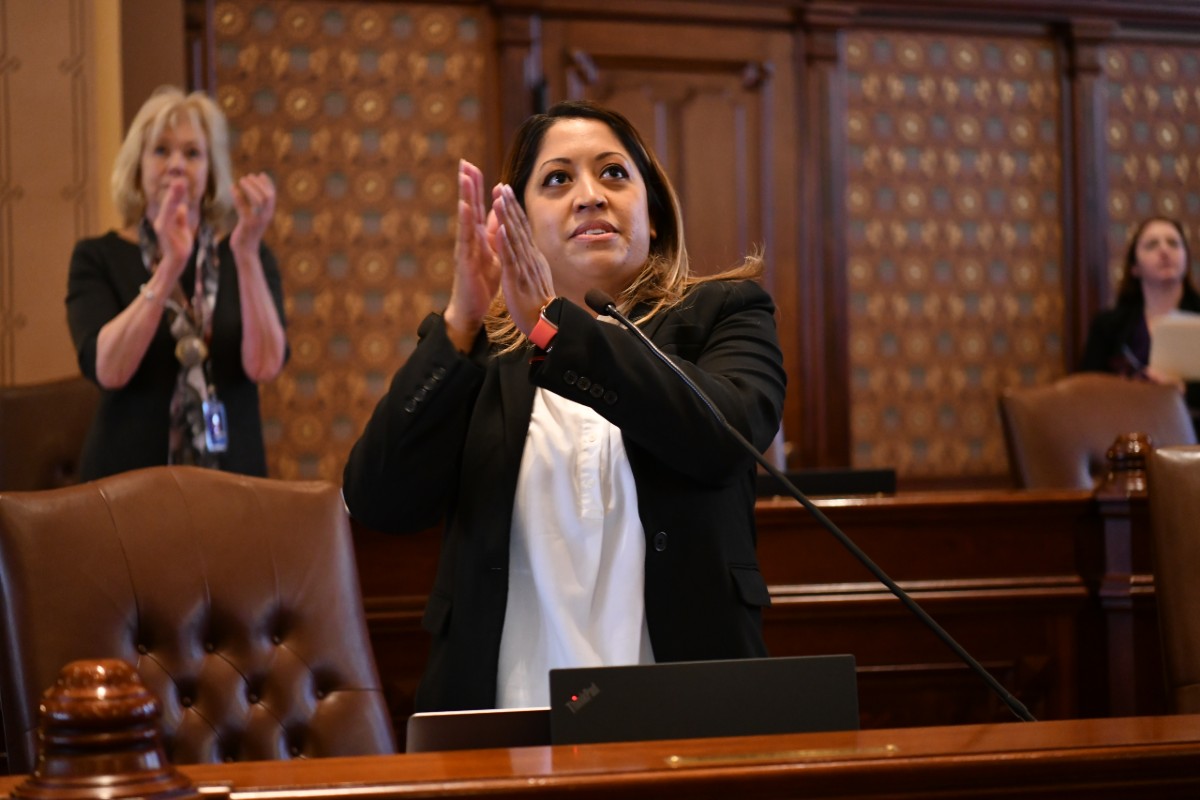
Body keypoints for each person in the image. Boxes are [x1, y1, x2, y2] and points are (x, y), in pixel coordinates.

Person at [342, 100, 786, 711]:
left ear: (652, 216)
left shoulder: (725, 315)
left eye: (613, 174)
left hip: (688, 723)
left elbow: (724, 436)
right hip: (507, 723)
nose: (589, 195)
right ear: (518, 223)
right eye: (558, 179)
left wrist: (554, 331)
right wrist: (461, 321)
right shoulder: (478, 358)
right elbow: (380, 501)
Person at [66, 86, 287, 480]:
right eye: (161, 150)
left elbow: (265, 366)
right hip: (124, 486)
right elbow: (108, 370)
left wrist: (248, 253)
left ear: (212, 171)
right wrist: (170, 266)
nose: (176, 164)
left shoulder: (246, 252)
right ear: (138, 166)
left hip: (232, 479)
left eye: (192, 153)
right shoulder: (96, 257)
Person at [1080, 217, 1200, 428]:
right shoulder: (1108, 326)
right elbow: (1087, 393)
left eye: (1173, 243)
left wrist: (1183, 390)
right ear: (1135, 267)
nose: (1164, 250)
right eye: (1152, 245)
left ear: (1186, 258)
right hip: (1127, 433)